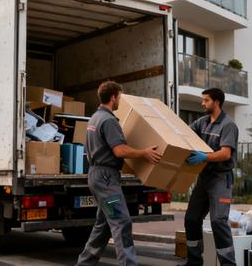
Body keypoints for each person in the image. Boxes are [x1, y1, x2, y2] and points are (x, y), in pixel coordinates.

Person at [76, 81, 162, 266]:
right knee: (122, 222)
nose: (120, 101)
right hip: (106, 179)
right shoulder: (109, 120)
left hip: (97, 175)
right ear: (113, 97)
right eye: (120, 97)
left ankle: (84, 263)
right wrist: (144, 153)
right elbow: (120, 151)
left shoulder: (94, 118)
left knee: (104, 225)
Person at [182, 88, 239, 266]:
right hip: (204, 178)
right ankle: (194, 261)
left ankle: (228, 264)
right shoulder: (203, 122)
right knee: (191, 219)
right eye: (203, 100)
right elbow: (184, 133)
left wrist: (204, 157)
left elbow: (225, 154)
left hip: (220, 179)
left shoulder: (228, 125)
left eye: (206, 100)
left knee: (218, 222)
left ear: (217, 102)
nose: (202, 103)